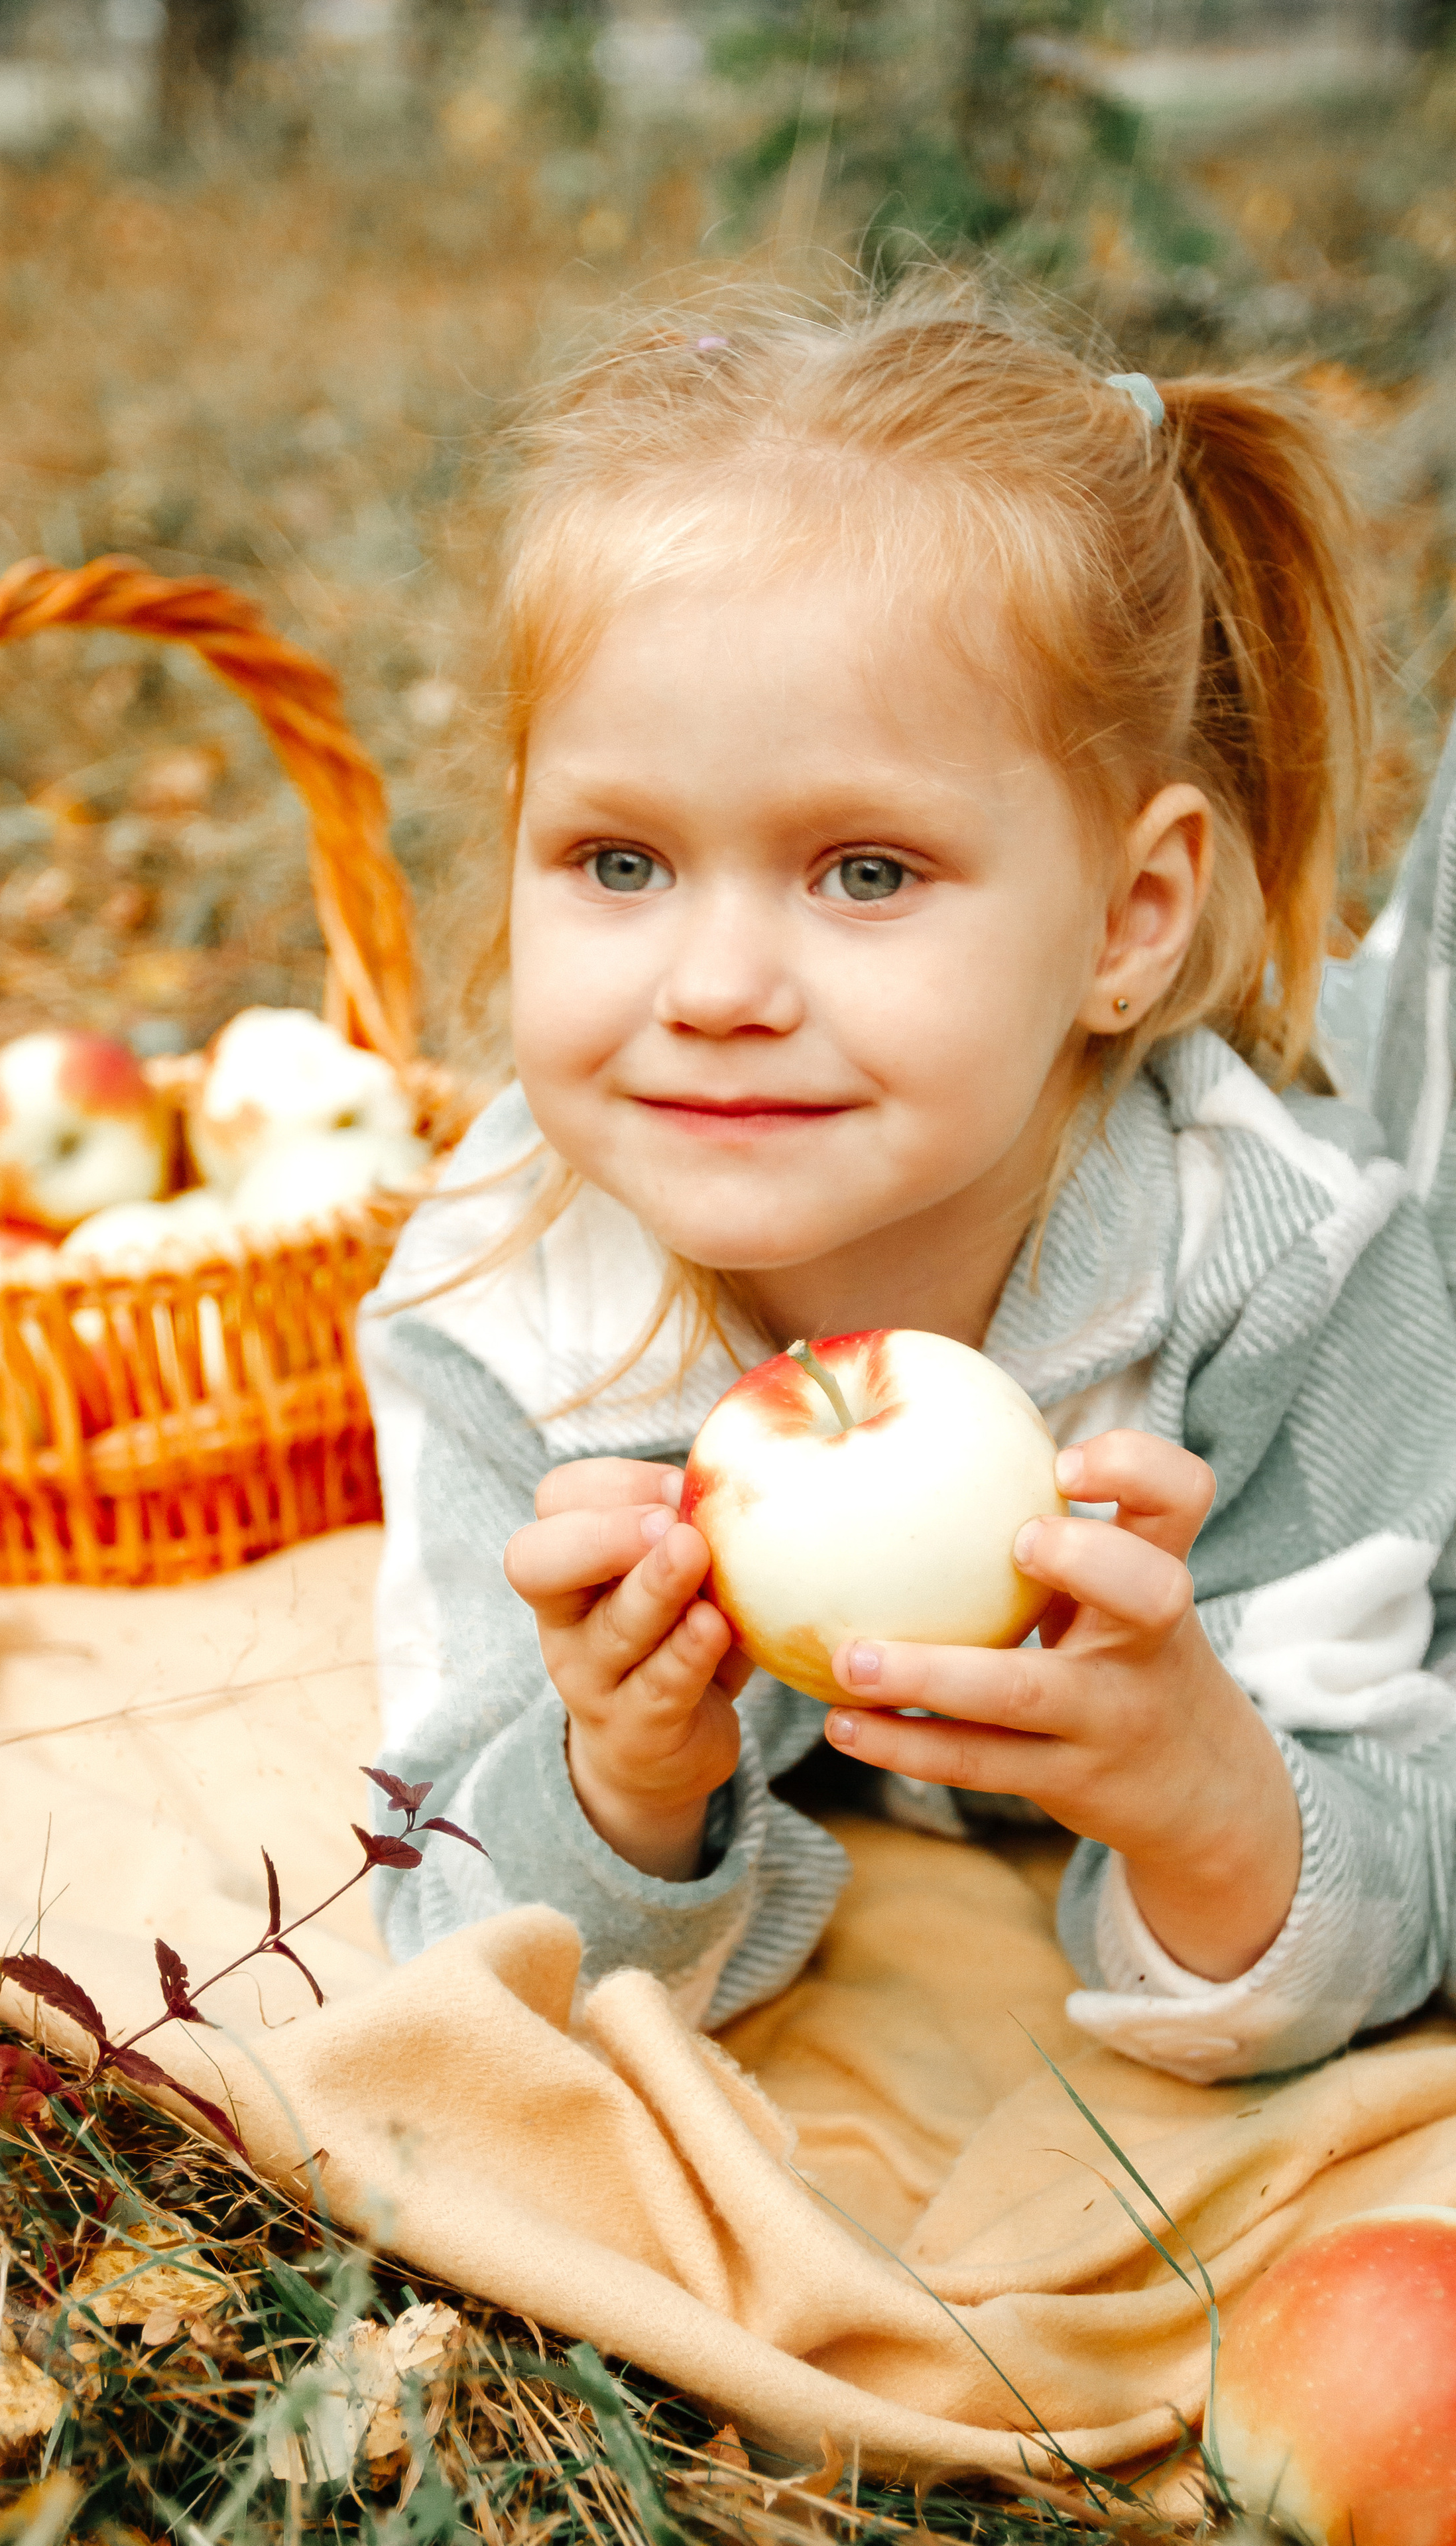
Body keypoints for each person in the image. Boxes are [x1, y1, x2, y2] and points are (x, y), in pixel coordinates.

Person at [357, 282, 1456, 2085]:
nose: (715, 990)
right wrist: (619, 1787)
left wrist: (1201, 1791)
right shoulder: (508, 1302)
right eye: (618, 861)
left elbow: (1410, 1858)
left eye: (864, 873)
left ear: (1128, 917)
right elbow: (451, 1923)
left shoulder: (1284, 1272)